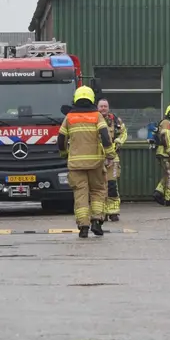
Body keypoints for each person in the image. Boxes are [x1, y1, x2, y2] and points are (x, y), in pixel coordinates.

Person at [57, 86, 116, 238]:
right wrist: (110, 155)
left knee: (80, 194)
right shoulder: (97, 116)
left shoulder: (69, 117)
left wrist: (64, 154)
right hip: (95, 163)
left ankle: (83, 227)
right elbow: (105, 136)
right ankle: (97, 221)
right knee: (97, 191)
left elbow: (61, 138)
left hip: (76, 164)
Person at [97, 98, 128, 222]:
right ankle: (101, 212)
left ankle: (113, 211)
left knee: (112, 185)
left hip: (113, 158)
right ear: (97, 107)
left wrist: (119, 141)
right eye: (101, 106)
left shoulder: (115, 120)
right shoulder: (93, 120)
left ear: (108, 108)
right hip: (98, 158)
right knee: (99, 187)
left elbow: (124, 133)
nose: (103, 108)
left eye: (105, 106)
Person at [152, 104, 170, 206]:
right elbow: (166, 138)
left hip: (165, 153)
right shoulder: (167, 123)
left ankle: (158, 192)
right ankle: (169, 199)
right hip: (166, 153)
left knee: (168, 174)